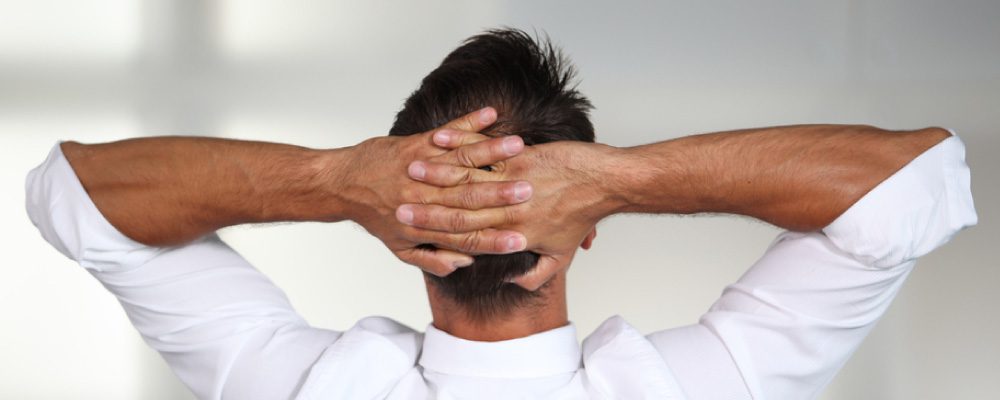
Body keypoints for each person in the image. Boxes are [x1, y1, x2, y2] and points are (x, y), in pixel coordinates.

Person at [26, 29, 976, 399]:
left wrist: (334, 181)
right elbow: (916, 182)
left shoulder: (305, 387)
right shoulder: (706, 389)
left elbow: (76, 195)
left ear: (403, 232)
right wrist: (622, 179)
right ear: (587, 229)